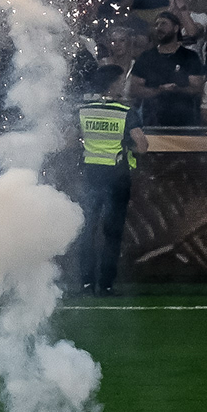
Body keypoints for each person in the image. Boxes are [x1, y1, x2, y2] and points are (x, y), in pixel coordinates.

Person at [74, 70, 138, 294]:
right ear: (113, 84)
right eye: (121, 81)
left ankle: (86, 283)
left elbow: (67, 139)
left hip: (90, 176)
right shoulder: (125, 112)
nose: (124, 85)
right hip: (117, 178)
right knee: (112, 234)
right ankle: (107, 285)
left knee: (87, 231)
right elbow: (143, 145)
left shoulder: (83, 110)